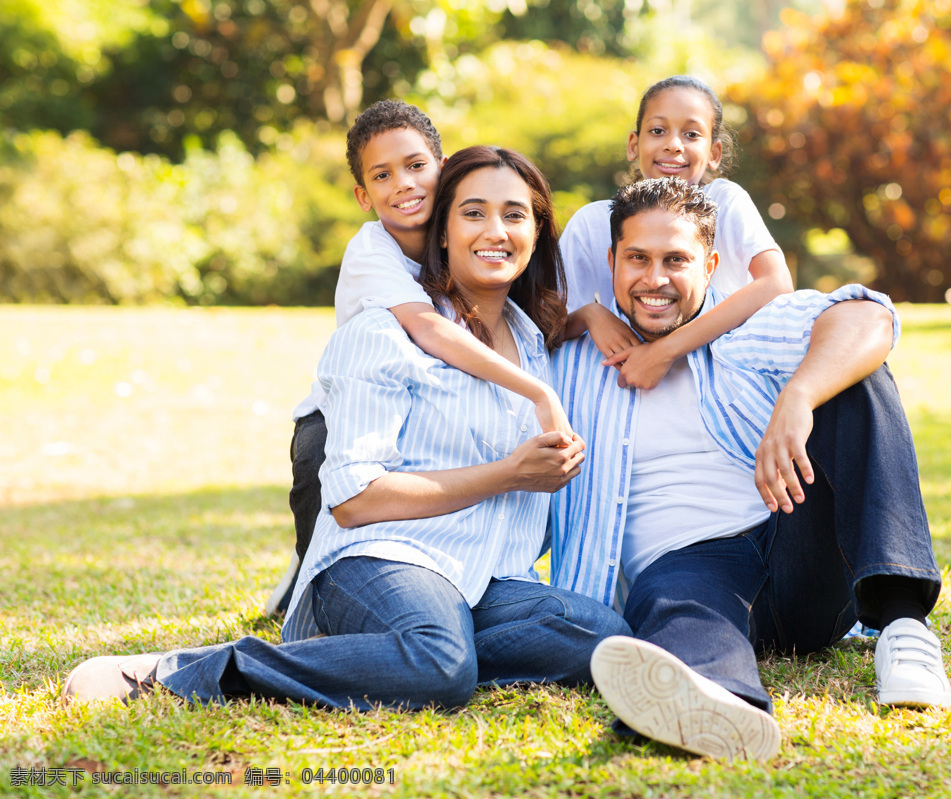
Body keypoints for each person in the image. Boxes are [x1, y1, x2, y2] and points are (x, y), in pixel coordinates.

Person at [61, 147, 629, 710]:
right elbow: (354, 500)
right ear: (442, 231)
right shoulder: (385, 332)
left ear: (536, 232)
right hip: (383, 559)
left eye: (514, 214)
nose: (495, 231)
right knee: (440, 665)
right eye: (473, 213)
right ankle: (186, 671)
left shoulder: (533, 344)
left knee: (602, 635)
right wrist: (508, 475)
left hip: (484, 579)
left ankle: (370, 657)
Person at [547, 178, 951, 762]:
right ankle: (717, 704)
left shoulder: (738, 330)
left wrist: (799, 397)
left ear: (710, 266)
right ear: (611, 261)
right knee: (677, 605)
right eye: (637, 258)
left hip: (794, 538)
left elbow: (869, 318)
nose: (655, 279)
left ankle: (904, 623)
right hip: (687, 562)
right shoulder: (570, 363)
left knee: (854, 375)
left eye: (676, 261)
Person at [266, 101, 573, 616]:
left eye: (415, 166)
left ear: (442, 167)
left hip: (404, 407)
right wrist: (536, 389)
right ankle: (311, 584)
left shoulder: (461, 228)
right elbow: (430, 328)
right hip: (333, 414)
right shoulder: (374, 252)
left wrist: (583, 318)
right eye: (382, 176)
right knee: (329, 499)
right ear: (364, 196)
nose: (403, 184)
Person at [561, 75, 793, 391]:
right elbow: (549, 320)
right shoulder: (593, 222)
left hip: (721, 379)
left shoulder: (726, 201)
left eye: (691, 134)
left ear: (714, 152)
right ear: (634, 144)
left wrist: (666, 350)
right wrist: (590, 314)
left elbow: (777, 284)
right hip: (620, 382)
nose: (673, 144)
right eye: (658, 131)